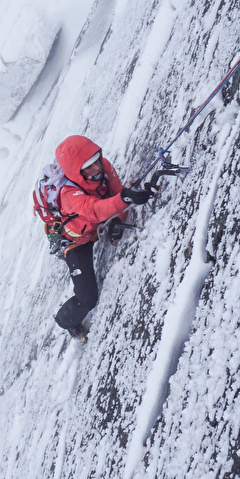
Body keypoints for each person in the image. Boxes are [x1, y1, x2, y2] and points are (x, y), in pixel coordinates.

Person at [52, 134, 153, 338]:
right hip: (76, 241)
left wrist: (118, 220)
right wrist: (125, 198)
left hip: (94, 225)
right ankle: (66, 321)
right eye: (88, 167)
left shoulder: (103, 167)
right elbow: (94, 209)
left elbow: (116, 191)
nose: (96, 168)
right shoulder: (68, 195)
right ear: (75, 172)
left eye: (96, 160)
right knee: (87, 298)